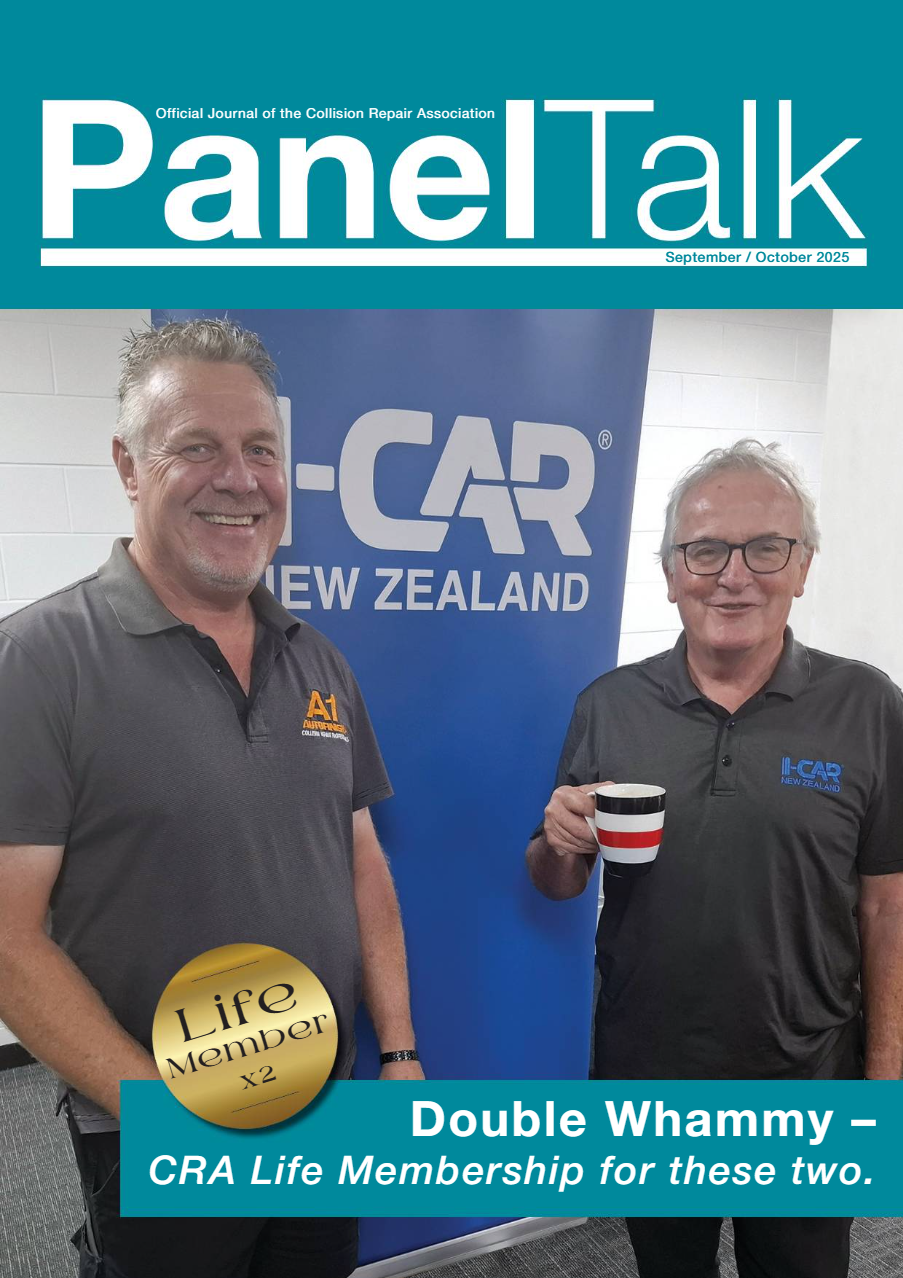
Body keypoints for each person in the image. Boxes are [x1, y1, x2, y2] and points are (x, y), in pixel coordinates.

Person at [0, 319, 423, 1278]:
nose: (238, 479)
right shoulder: (36, 662)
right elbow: (7, 935)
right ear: (128, 464)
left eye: (260, 450)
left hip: (320, 1106)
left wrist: (395, 1054)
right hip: (157, 1126)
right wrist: (156, 1114)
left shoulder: (316, 657)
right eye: (196, 446)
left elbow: (357, 862)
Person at [526, 439, 903, 1278]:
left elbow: (887, 906)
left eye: (765, 547)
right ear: (669, 571)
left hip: (806, 1083)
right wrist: (554, 842)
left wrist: (884, 1087)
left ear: (802, 565)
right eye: (703, 550)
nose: (733, 575)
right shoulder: (610, 706)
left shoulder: (867, 706)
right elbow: (557, 883)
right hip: (648, 1080)